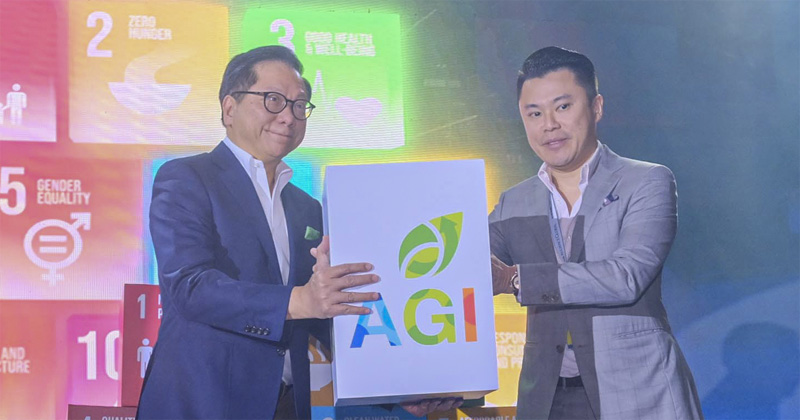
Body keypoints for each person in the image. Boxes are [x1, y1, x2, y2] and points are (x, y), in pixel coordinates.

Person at [138, 45, 458, 420]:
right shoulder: (187, 178)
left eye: (299, 105)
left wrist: (400, 385)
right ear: (229, 108)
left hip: (287, 406)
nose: (289, 116)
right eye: (273, 100)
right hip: (202, 403)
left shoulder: (306, 207)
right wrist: (298, 300)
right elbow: (189, 287)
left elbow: (327, 309)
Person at [489, 46, 703, 420]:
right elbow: (458, 268)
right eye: (534, 113)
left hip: (637, 392)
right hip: (547, 399)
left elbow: (626, 277)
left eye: (562, 107)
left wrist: (514, 279)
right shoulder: (514, 201)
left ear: (596, 107)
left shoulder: (645, 181)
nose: (548, 124)